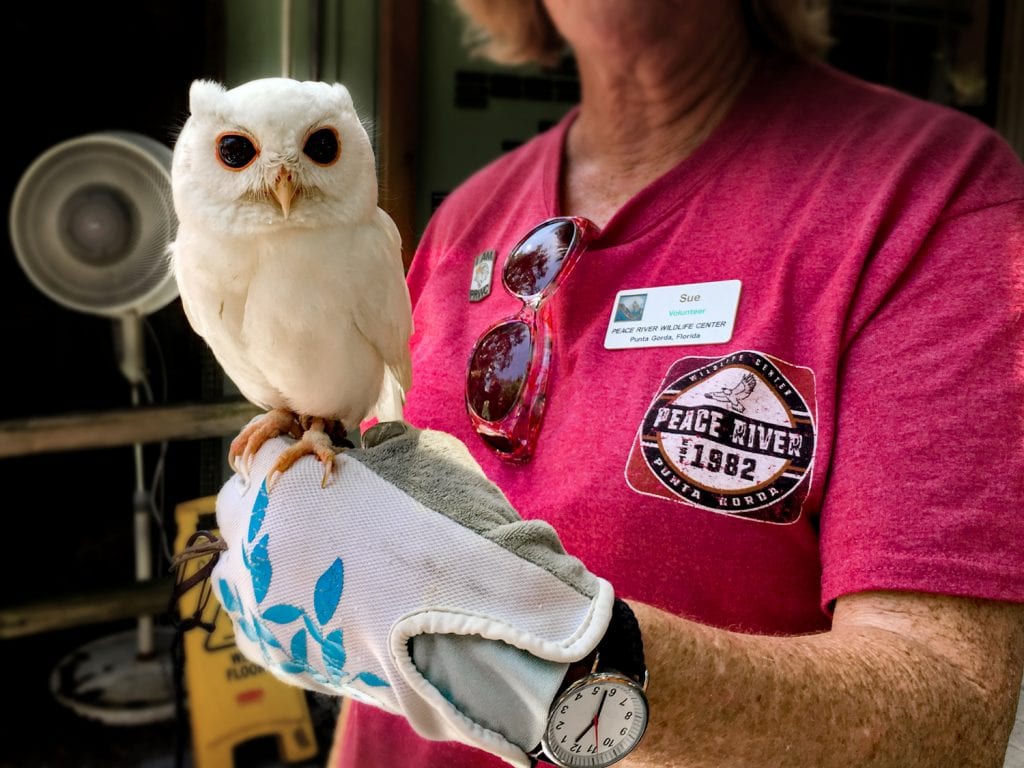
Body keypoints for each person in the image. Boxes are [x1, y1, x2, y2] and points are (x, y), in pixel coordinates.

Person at [205, 1, 1024, 767]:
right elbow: (382, 596)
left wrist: (575, 658)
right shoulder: (468, 218)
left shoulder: (927, 196)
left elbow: (947, 720)